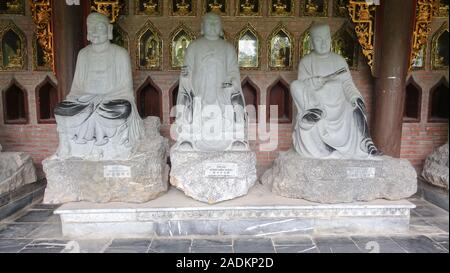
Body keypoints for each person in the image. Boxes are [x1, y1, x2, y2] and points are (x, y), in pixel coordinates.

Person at [54, 12, 143, 160]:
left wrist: (103, 98)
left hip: (111, 102)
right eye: (91, 28)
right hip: (86, 101)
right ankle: (66, 145)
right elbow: (77, 87)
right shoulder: (83, 54)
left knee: (123, 108)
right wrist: (86, 98)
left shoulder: (120, 53)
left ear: (109, 30)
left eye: (99, 27)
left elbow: (125, 88)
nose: (95, 32)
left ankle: (120, 145)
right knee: (61, 109)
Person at [290, 23, 381, 159]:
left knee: (354, 107)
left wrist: (355, 97)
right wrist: (312, 83)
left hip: (339, 105)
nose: (323, 43)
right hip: (317, 103)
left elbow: (347, 84)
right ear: (312, 43)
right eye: (318, 40)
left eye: (326, 39)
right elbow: (302, 86)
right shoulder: (306, 62)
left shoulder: (339, 61)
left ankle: (365, 143)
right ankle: (314, 112)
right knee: (295, 85)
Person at [175, 12, 247, 152]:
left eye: (216, 23)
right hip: (199, 90)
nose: (213, 26)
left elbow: (233, 72)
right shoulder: (194, 46)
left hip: (222, 93)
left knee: (232, 102)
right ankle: (189, 137)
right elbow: (186, 69)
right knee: (189, 101)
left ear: (221, 28)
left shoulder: (228, 48)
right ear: (202, 27)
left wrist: (230, 83)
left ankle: (234, 137)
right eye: (209, 22)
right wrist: (186, 76)